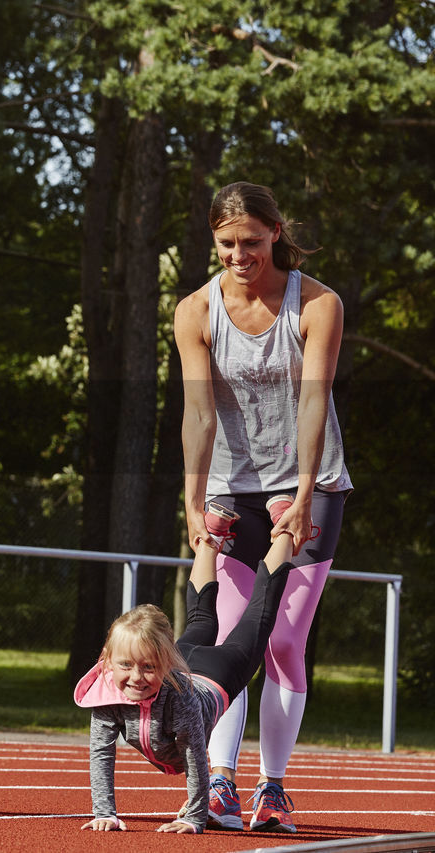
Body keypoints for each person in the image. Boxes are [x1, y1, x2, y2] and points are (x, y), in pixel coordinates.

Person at [173, 180, 352, 833]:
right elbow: (197, 413)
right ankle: (219, 782)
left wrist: (304, 491)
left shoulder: (317, 303)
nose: (239, 255)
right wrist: (194, 502)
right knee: (224, 641)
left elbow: (313, 398)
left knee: (280, 640)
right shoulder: (195, 310)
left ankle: (272, 789)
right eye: (226, 245)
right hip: (229, 490)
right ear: (213, 242)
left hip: (312, 483)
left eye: (251, 242)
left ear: (276, 232)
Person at [76, 504, 294, 834]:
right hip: (184, 657)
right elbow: (101, 755)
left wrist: (194, 816)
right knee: (201, 619)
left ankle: (286, 530)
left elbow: (194, 758)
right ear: (106, 660)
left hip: (216, 674)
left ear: (165, 661)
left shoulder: (181, 702)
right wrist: (105, 812)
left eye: (148, 667)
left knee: (257, 618)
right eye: (125, 665)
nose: (136, 677)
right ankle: (210, 539)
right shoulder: (106, 695)